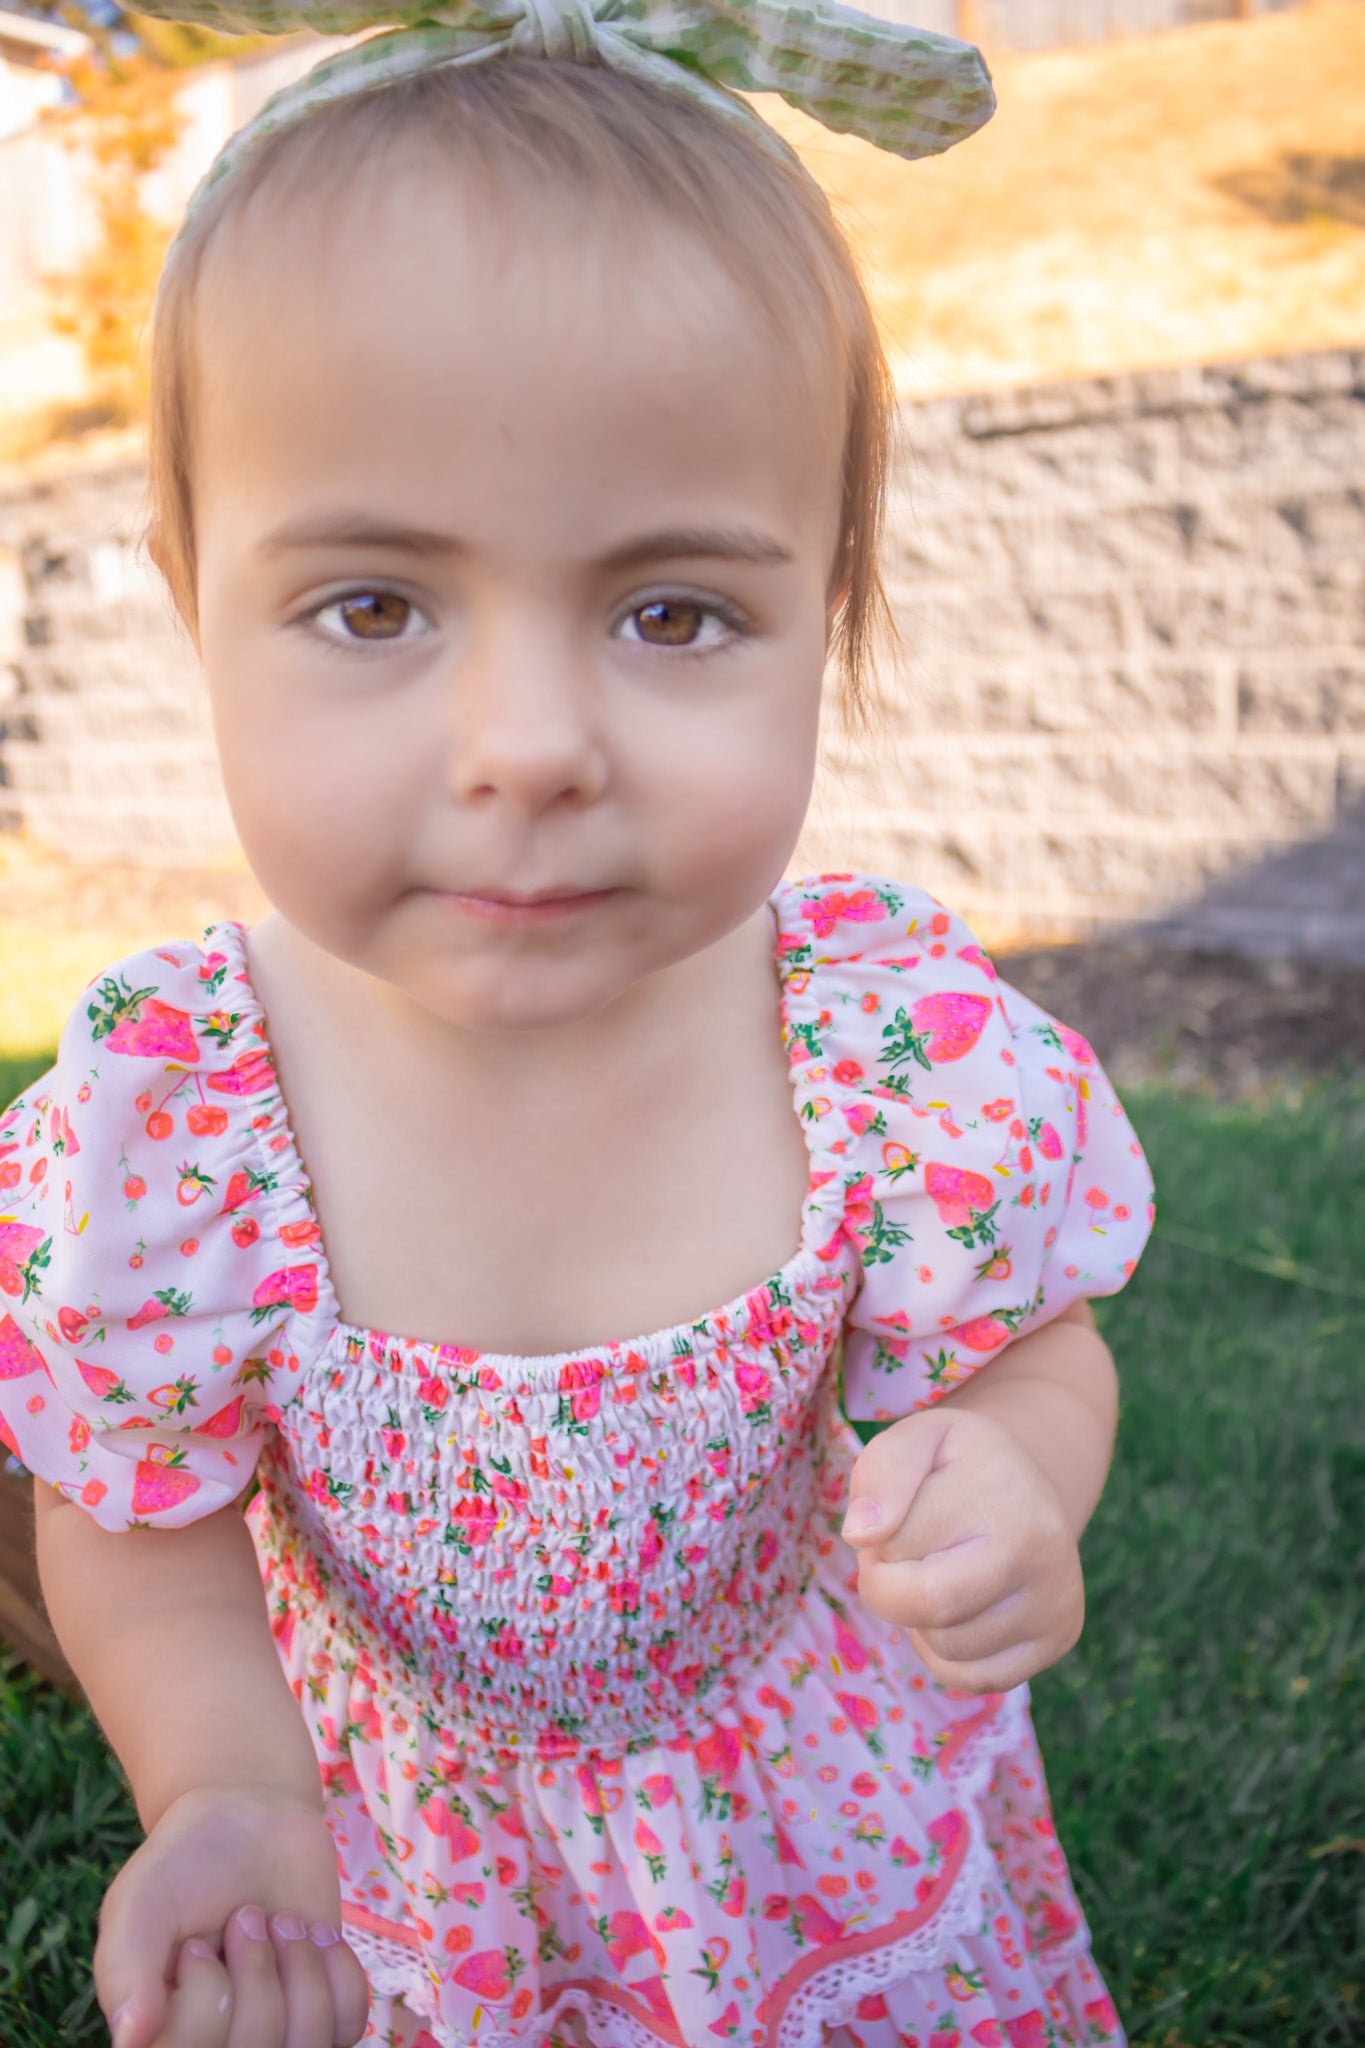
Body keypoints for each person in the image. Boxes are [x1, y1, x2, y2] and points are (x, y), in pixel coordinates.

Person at [0, 3, 1153, 2043]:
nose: (527, 745)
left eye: (671, 612)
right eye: (372, 604)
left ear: (834, 607)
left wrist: (1011, 1471)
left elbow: (1030, 1352)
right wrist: (227, 1786)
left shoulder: (876, 1049)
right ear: (195, 600)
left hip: (813, 1819)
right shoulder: (173, 1123)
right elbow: (142, 1518)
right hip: (408, 1859)